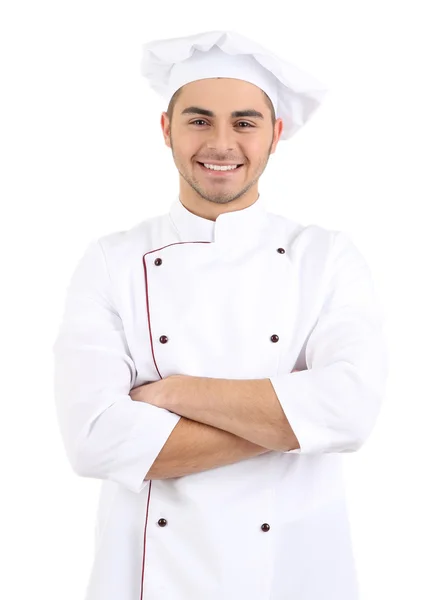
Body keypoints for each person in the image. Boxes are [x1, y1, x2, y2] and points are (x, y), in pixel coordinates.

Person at [52, 29, 389, 600]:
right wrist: (298, 418)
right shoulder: (113, 260)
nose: (222, 143)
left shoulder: (326, 257)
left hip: (292, 573)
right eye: (200, 120)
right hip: (148, 579)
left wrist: (177, 391)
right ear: (167, 129)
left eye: (245, 122)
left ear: (275, 134)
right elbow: (94, 441)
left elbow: (352, 413)